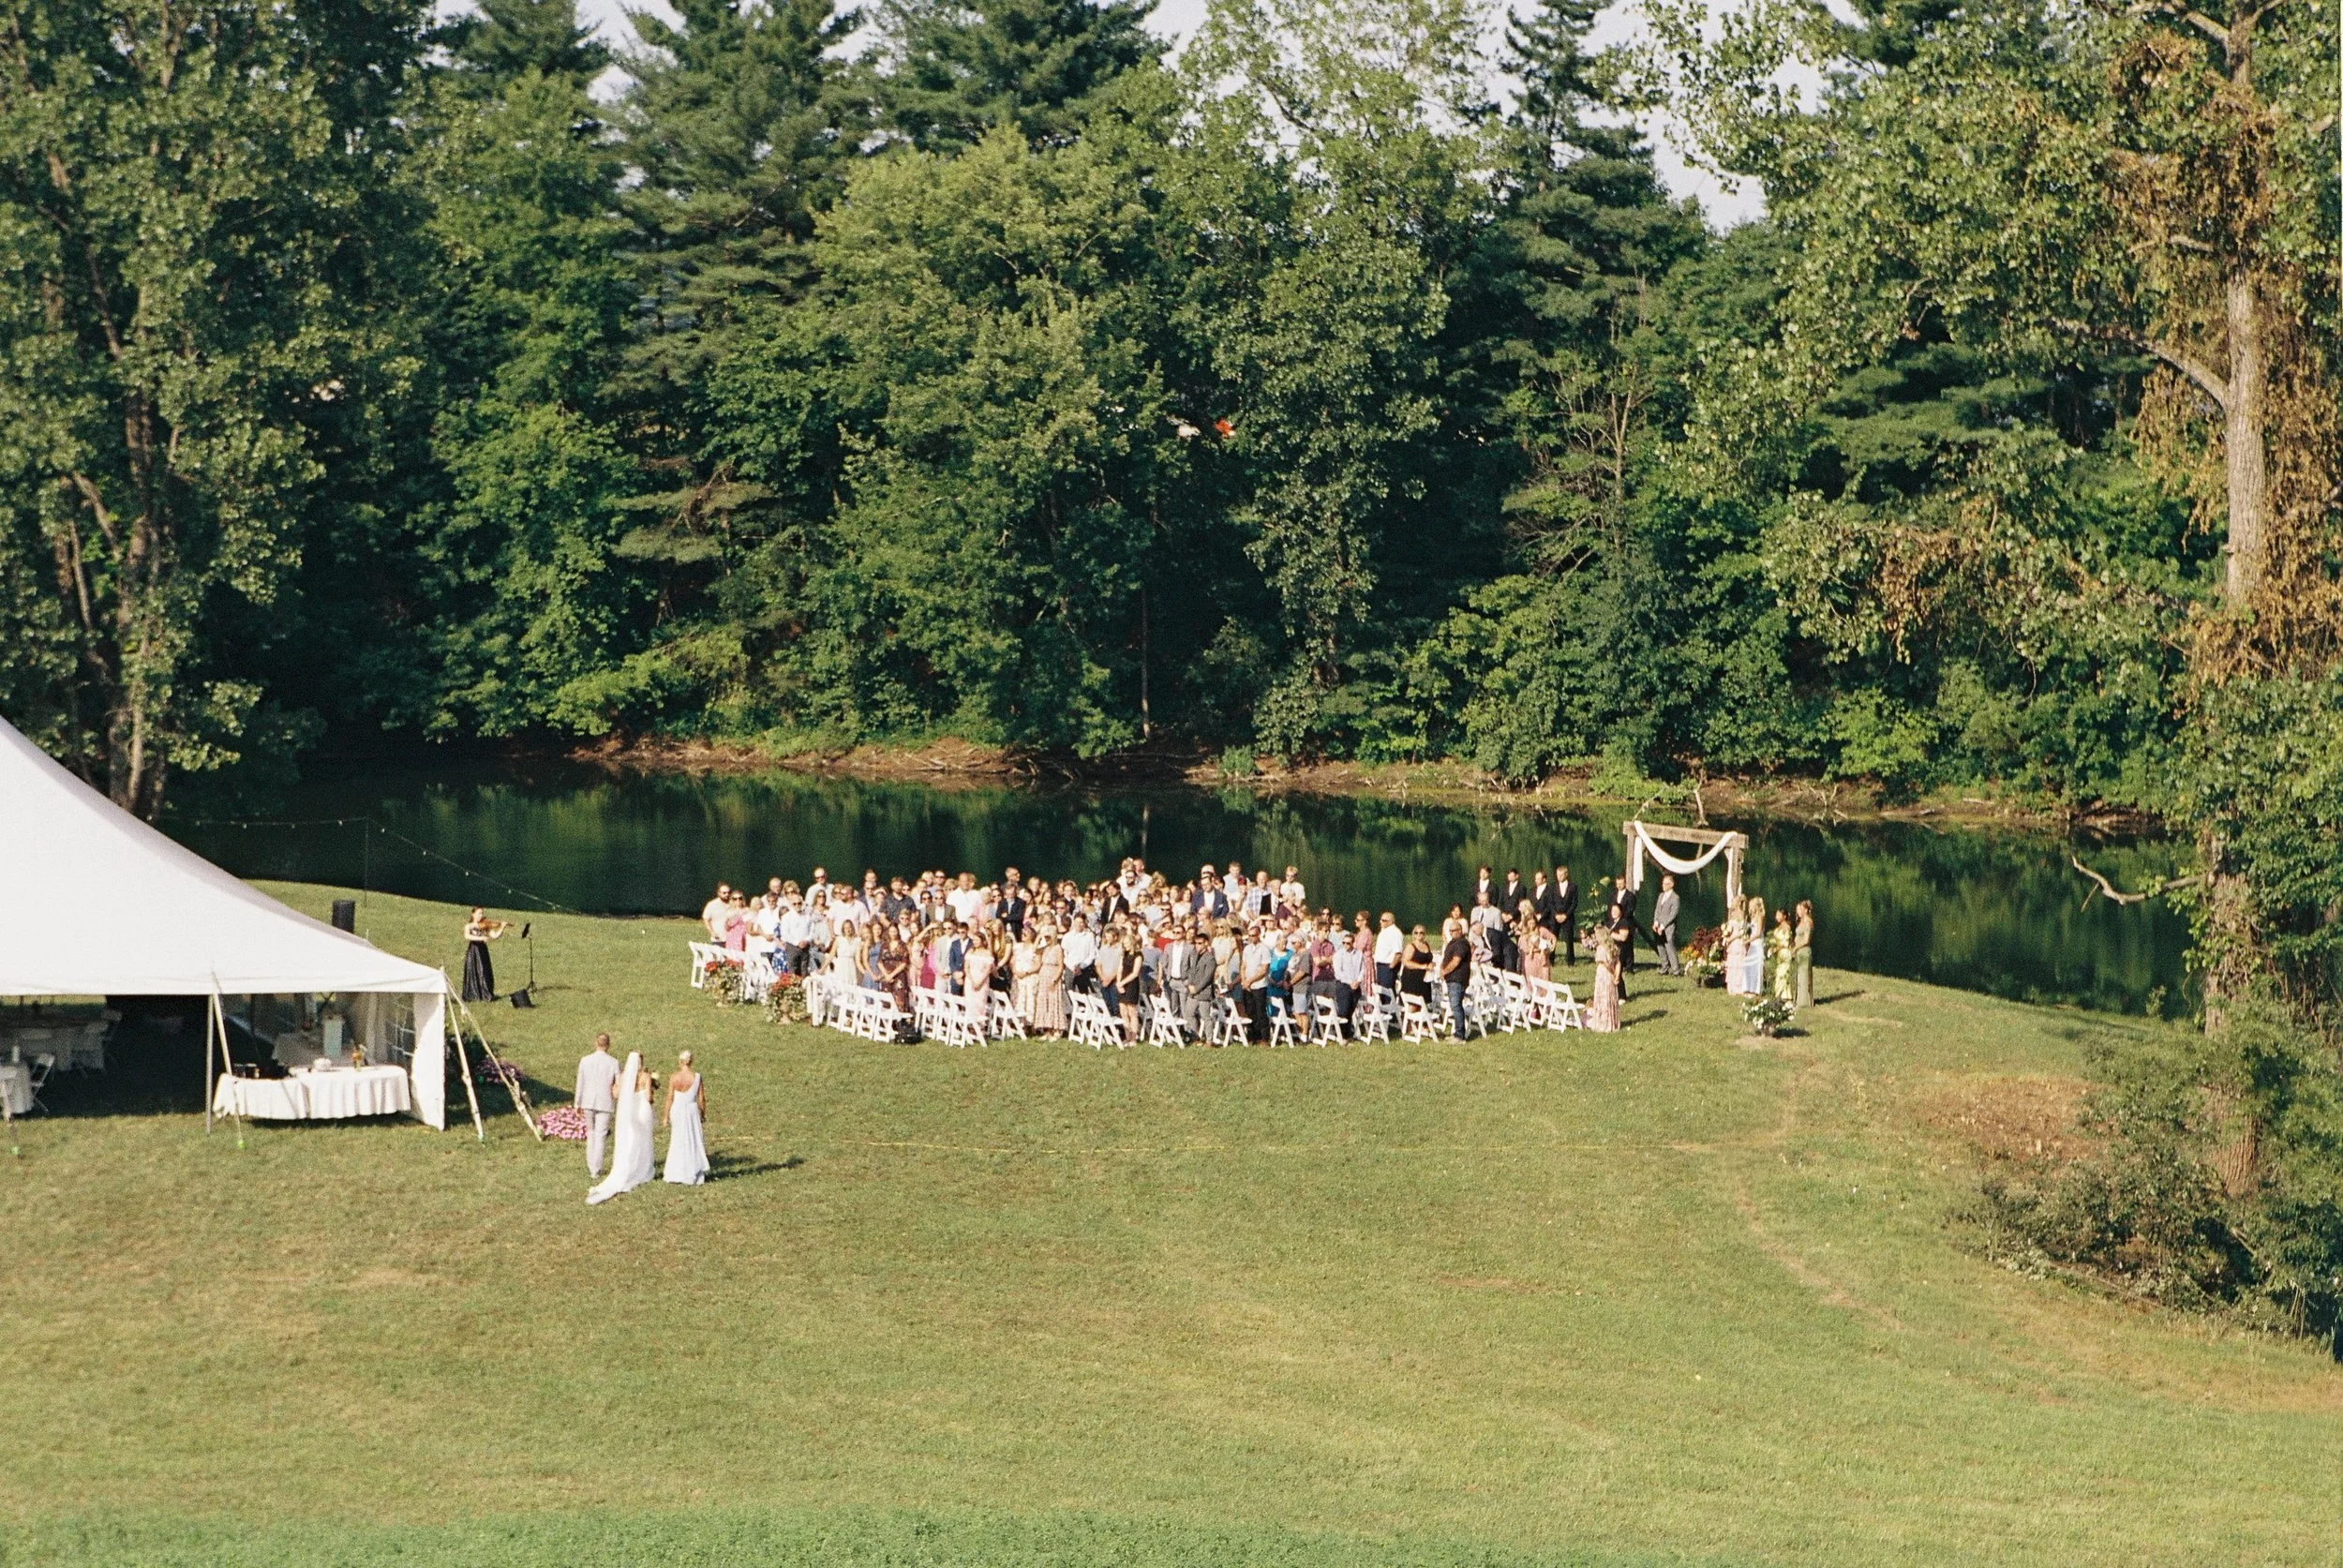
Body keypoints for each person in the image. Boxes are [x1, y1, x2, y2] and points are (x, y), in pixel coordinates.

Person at [587, 1053, 656, 1204]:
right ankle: (643, 1168)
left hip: (629, 1111)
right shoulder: (645, 1076)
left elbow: (616, 1094)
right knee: (644, 1139)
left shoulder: (624, 1076)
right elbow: (649, 1098)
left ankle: (630, 1164)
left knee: (631, 1138)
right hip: (642, 1110)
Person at [575, 1033, 620, 1178]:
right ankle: (596, 1168)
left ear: (596, 1043)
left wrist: (577, 1102)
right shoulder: (613, 1062)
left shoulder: (585, 1060)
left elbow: (580, 1082)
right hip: (605, 1101)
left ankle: (591, 1166)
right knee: (601, 1135)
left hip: (588, 1100)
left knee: (591, 1133)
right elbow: (618, 1084)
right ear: (608, 1044)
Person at [663, 1051, 709, 1186]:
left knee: (678, 1139)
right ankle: (693, 1169)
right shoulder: (696, 1077)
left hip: (677, 1109)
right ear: (691, 1061)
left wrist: (665, 1116)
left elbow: (669, 1098)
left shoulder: (674, 1077)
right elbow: (701, 1098)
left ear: (680, 1061)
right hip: (691, 1110)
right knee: (694, 1138)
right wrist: (703, 1113)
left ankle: (676, 1171)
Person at [461, 908, 507, 1003]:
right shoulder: (468, 926)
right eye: (479, 913)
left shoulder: (485, 925)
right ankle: (473, 994)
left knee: (485, 972)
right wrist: (481, 938)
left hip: (483, 951)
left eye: (482, 913)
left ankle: (485, 994)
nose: (481, 916)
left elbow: (495, 936)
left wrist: (502, 927)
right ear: (473, 914)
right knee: (474, 971)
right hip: (474, 951)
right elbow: (467, 936)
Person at [1438, 921, 1471, 1037]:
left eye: (1454, 930)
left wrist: (1444, 971)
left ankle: (1459, 1034)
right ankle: (1458, 1032)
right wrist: (1442, 969)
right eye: (1450, 931)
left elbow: (1456, 961)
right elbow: (1446, 958)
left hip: (1458, 978)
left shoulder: (1462, 944)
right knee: (1454, 1005)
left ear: (1460, 930)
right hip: (1451, 978)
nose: (1452, 933)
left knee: (1456, 1005)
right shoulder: (1452, 943)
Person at [1588, 926, 1621, 1033]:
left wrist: (1612, 972)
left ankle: (1603, 1022)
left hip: (1603, 975)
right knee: (1609, 996)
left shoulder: (1601, 949)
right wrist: (1616, 975)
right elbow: (1618, 962)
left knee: (1603, 997)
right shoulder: (1612, 947)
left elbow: (1605, 964)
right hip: (1610, 976)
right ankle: (1612, 1022)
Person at [1652, 874, 1682, 977]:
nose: (1663, 885)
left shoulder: (1675, 898)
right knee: (1660, 946)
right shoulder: (1661, 896)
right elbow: (1657, 910)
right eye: (1663, 883)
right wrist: (1656, 922)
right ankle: (1664, 967)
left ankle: (1676, 970)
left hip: (1668, 928)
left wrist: (1663, 925)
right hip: (1658, 926)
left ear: (1672, 885)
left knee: (1670, 947)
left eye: (1666, 884)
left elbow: (1673, 914)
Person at [1739, 896, 1768, 995]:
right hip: (1752, 943)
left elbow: (1758, 932)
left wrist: (1748, 940)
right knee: (1749, 964)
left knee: (1756, 965)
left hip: (1757, 943)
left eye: (1751, 906)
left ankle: (1756, 989)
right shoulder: (1752, 917)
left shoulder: (1760, 916)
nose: (1749, 908)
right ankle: (1748, 987)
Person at [1792, 900, 1815, 1009]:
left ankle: (1804, 1001)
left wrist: (1796, 947)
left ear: (1806, 910)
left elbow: (1806, 940)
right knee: (1798, 975)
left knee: (1804, 975)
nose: (1798, 912)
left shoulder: (1808, 922)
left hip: (1804, 951)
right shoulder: (1801, 921)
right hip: (1798, 951)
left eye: (1800, 909)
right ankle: (1798, 999)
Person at [1372, 911, 1403, 993]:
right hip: (1381, 966)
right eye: (1381, 920)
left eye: (1384, 920)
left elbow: (1398, 953)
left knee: (1387, 992)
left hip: (1387, 967)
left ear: (1391, 922)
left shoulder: (1395, 933)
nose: (1381, 922)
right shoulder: (1384, 931)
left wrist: (1390, 967)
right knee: (1381, 992)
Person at [1769, 907, 1796, 1002]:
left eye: (1778, 915)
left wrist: (1776, 948)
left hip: (1784, 951)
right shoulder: (1779, 927)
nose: (1776, 917)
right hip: (1779, 953)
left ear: (1784, 916)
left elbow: (1786, 942)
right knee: (1779, 971)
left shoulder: (1787, 927)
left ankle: (1785, 994)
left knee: (1783, 973)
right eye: (1776, 915)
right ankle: (1779, 993)